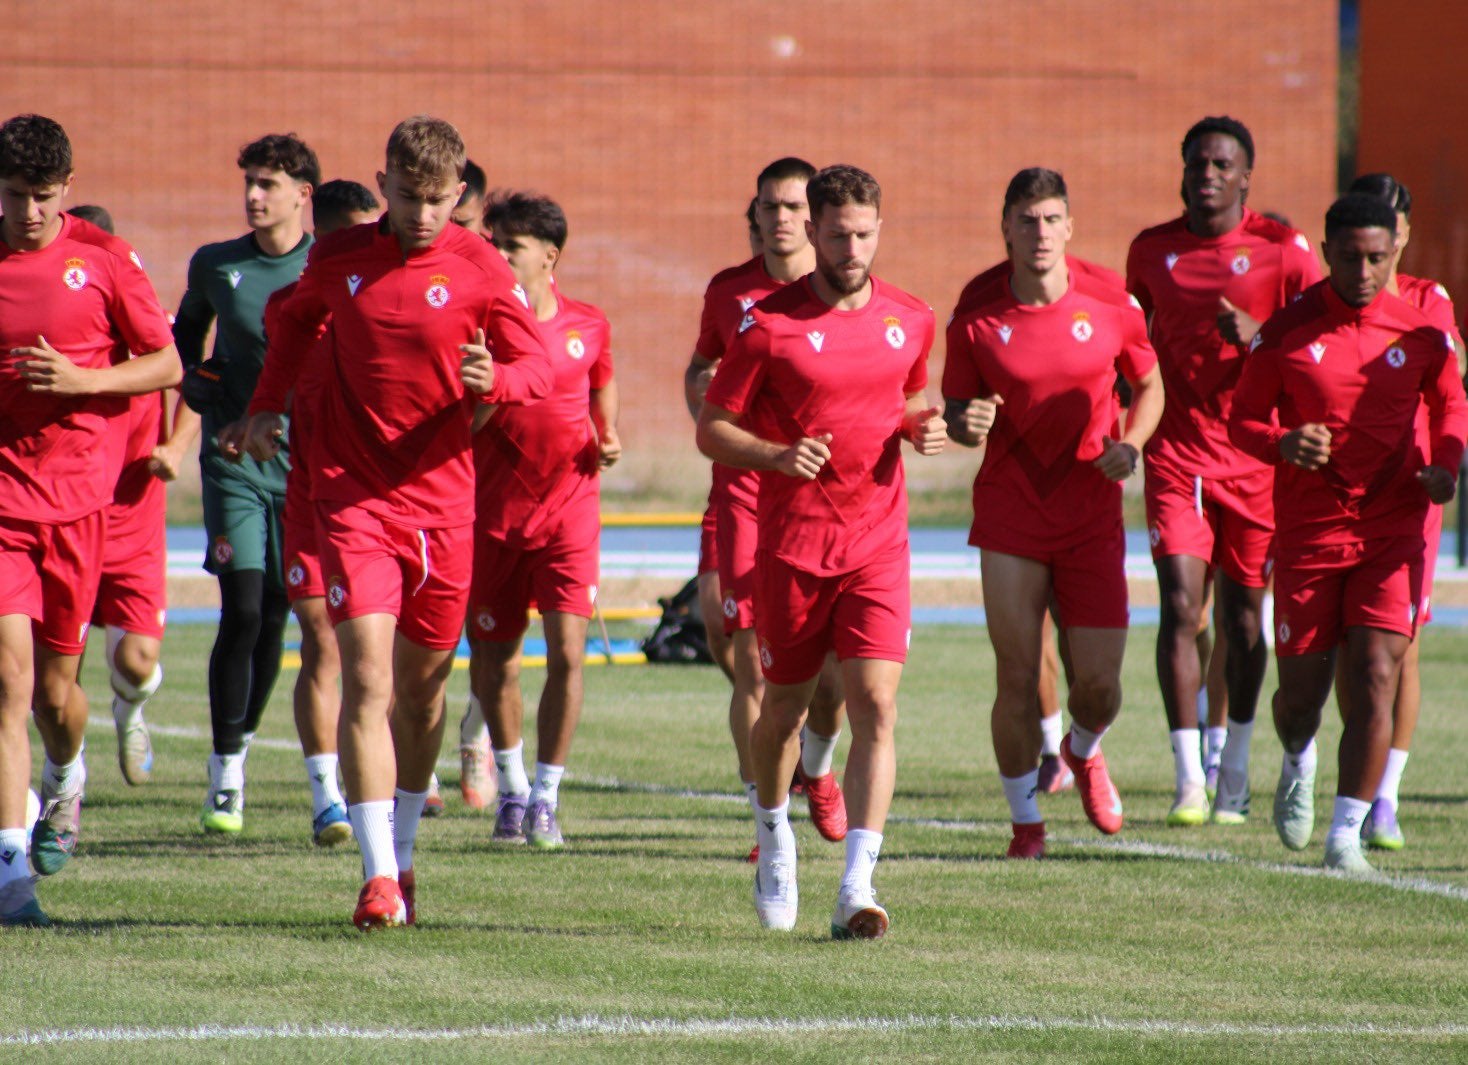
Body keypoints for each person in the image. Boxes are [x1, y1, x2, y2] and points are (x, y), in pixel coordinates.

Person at [241, 115, 552, 930]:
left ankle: (406, 855)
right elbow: (290, 323)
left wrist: (501, 378)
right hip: (353, 498)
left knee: (420, 697)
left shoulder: (483, 267)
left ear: (460, 197)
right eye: (408, 197)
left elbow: (540, 366)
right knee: (368, 676)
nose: (422, 214)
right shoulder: (338, 258)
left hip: (444, 506)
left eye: (438, 201)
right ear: (383, 186)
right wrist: (269, 405)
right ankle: (377, 877)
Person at [698, 163, 946, 939]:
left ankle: (858, 887)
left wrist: (921, 426)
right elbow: (712, 426)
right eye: (837, 233)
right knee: (784, 709)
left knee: (876, 703)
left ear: (880, 229)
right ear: (813, 231)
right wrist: (775, 456)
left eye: (865, 233)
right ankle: (775, 839)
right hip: (793, 546)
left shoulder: (912, 316)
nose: (851, 247)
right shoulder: (766, 324)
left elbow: (905, 398)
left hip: (878, 540)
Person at [1229, 193, 1468, 874]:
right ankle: (1298, 754)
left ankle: (1345, 835)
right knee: (1301, 695)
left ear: (1395, 250)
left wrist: (1446, 464)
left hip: (1392, 529)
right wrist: (1281, 441)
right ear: (1326, 250)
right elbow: (1241, 421)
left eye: (1377, 256)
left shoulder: (1422, 333)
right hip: (1309, 532)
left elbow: (1451, 402)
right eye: (1350, 256)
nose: (1364, 270)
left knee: (1375, 673)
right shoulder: (1284, 332)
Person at [944, 168, 1164, 858]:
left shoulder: (1111, 302)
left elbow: (1150, 384)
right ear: (1005, 226)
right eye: (1026, 220)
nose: (1039, 233)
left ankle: (1083, 749)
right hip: (1011, 513)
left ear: (1069, 226)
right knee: (1016, 675)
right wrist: (966, 420)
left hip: (1092, 514)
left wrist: (1131, 444)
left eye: (1050, 220)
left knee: (1099, 686)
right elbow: (957, 411)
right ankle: (1025, 824)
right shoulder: (977, 309)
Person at [0, 114, 181, 926]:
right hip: (1, 505)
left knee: (55, 697)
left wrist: (81, 381)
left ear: (67, 190)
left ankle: (67, 771)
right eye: (13, 195)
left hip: (77, 505)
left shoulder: (105, 261)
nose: (28, 212)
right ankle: (11, 878)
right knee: (7, 683)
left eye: (42, 196)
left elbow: (168, 362)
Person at [1127, 116, 1322, 826]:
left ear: (1246, 177)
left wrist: (1261, 335)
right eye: (1197, 162)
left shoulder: (1283, 251)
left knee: (1244, 622)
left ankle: (1234, 762)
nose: (1207, 174)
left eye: (1221, 164)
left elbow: (1322, 343)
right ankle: (1187, 778)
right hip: (1177, 458)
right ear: (1182, 171)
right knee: (1181, 607)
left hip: (1256, 459)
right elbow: (1131, 354)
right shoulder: (1151, 252)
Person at [684, 158, 850, 862]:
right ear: (752, 214)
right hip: (745, 486)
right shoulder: (729, 292)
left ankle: (813, 762)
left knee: (832, 676)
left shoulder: (842, 290)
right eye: (768, 207)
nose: (779, 219)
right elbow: (701, 366)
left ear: (813, 218)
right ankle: (767, 814)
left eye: (791, 207)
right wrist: (708, 410)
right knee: (741, 653)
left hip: (822, 496)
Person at [462, 191, 619, 848]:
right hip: (491, 516)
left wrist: (608, 432)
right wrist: (490, 387)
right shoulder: (479, 330)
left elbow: (602, 382)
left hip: (570, 516)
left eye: (511, 247)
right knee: (495, 662)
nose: (497, 256)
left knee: (568, 654)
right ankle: (512, 786)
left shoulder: (589, 324)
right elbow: (460, 421)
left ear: (549, 256)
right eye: (492, 244)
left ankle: (548, 797)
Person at [173, 133, 320, 834]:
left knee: (280, 614)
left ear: (303, 195)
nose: (255, 196)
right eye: (250, 183)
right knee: (244, 606)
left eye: (269, 184)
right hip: (234, 459)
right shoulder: (216, 265)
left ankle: (246, 742)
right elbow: (186, 337)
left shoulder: (329, 267)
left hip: (309, 467)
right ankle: (226, 771)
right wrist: (200, 386)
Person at [242, 179, 381, 844]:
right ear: (323, 242)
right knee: (322, 639)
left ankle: (395, 768)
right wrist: (265, 420)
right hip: (311, 497)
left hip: (384, 501)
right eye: (354, 235)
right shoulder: (288, 308)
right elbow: (286, 387)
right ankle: (328, 795)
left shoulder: (384, 304)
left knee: (378, 649)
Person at [1338, 173, 1466, 850]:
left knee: (1399, 650)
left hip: (1412, 488)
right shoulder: (1328, 302)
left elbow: (1453, 379)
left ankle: (1384, 796)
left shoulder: (1427, 302)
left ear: (1403, 235)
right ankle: (1355, 768)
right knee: (1348, 652)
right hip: (1336, 494)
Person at [65, 205, 191, 788]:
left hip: (135, 517)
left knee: (135, 665)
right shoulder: (53, 337)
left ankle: (130, 709)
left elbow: (194, 375)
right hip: (64, 511)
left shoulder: (149, 328)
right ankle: (66, 770)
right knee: (54, 668)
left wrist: (178, 443)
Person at [450, 159, 487, 235]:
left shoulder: (499, 245)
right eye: (445, 226)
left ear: (484, 211)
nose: (452, 235)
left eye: (462, 224)